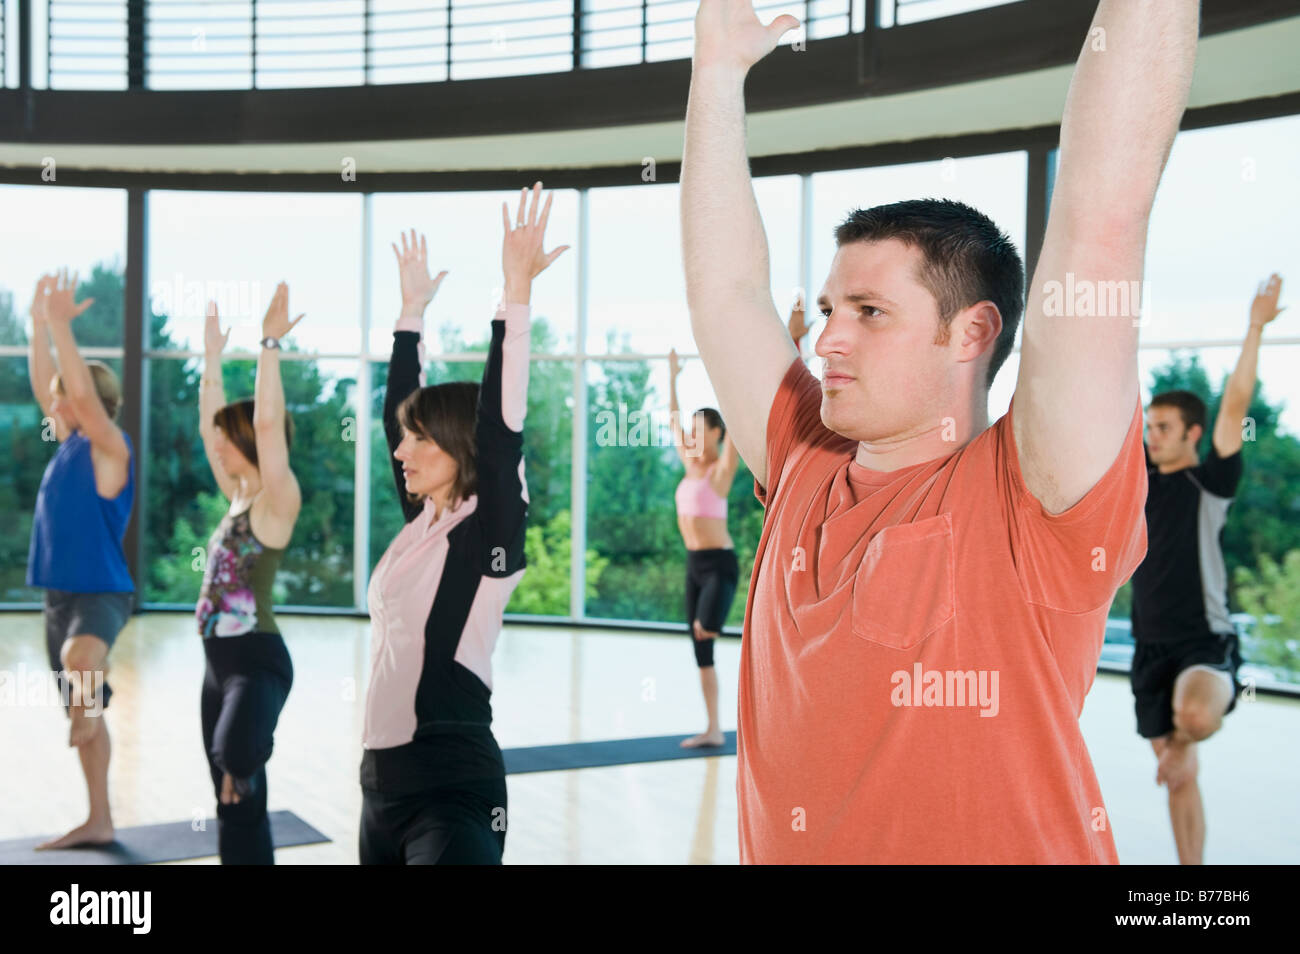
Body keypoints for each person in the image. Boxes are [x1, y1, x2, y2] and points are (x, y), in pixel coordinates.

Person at [680, 0, 1197, 862]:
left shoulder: (1035, 491)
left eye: (870, 312)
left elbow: (1106, 213)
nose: (827, 337)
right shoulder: (805, 456)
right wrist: (717, 73)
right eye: (833, 307)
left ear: (972, 334)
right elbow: (726, 291)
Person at [359, 184, 566, 865]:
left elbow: (500, 429)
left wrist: (514, 294)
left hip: (452, 784)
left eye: (420, 441)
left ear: (457, 448)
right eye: (404, 440)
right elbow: (397, 410)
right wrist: (409, 315)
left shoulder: (487, 532)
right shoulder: (423, 523)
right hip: (379, 786)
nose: (401, 452)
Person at [1132, 273, 1285, 864]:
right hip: (1148, 646)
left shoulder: (1210, 479)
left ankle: (1184, 743)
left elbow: (1238, 404)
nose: (1152, 436)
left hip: (1205, 641)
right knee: (1180, 780)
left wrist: (1253, 328)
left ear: (1194, 433)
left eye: (1163, 429)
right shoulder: (1137, 484)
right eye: (1149, 427)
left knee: (1191, 716)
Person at [27, 270, 136, 851]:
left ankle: (86, 703)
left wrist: (63, 328)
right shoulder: (67, 446)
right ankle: (99, 818)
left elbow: (81, 397)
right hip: (58, 597)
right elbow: (47, 379)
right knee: (85, 715)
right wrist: (36, 324)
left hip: (101, 589)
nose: (52, 396)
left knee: (80, 657)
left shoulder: (109, 447)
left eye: (64, 392)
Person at [196, 284, 302, 864]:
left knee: (236, 756)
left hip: (256, 660)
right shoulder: (236, 495)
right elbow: (207, 419)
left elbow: (268, 426)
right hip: (218, 665)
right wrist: (211, 357)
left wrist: (269, 344)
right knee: (230, 793)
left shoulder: (275, 501)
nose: (216, 442)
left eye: (224, 437)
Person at [668, 348, 740, 748]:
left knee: (705, 628)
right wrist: (672, 376)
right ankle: (713, 728)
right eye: (691, 430)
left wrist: (728, 378)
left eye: (700, 430)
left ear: (717, 432)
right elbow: (672, 419)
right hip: (693, 565)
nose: (692, 436)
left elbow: (735, 437)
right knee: (701, 648)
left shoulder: (720, 472)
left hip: (719, 566)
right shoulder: (690, 465)